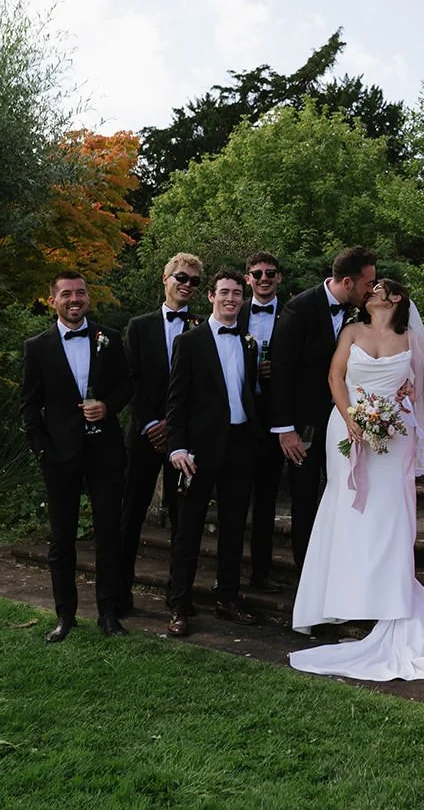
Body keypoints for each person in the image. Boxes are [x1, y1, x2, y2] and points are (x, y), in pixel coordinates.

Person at [290, 278, 424, 680]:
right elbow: (336, 378)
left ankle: (387, 595)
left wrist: (403, 398)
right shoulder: (352, 331)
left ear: (394, 298)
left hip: (395, 434)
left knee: (390, 510)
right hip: (347, 428)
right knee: (348, 506)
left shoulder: (410, 337)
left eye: (378, 287)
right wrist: (351, 416)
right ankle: (341, 597)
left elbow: (420, 387)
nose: (370, 291)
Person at [20, 270, 134, 643]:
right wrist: (42, 451)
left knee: (108, 536)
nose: (75, 299)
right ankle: (64, 616)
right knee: (62, 538)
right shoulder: (37, 347)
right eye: (67, 294)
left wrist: (108, 406)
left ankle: (108, 614)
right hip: (60, 455)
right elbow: (29, 407)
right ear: (52, 300)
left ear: (88, 298)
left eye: (81, 293)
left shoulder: (109, 338)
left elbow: (126, 385)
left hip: (105, 452)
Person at [163, 270, 262, 636]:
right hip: (198, 451)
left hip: (239, 445)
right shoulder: (189, 342)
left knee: (234, 528)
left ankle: (228, 598)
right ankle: (179, 604)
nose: (231, 299)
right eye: (224, 292)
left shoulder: (249, 342)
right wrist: (177, 446)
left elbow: (246, 393)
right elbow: (176, 400)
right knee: (187, 530)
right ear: (211, 296)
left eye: (237, 293)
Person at [269, 246, 377, 570]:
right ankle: (307, 576)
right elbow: (281, 371)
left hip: (345, 423)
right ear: (347, 281)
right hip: (303, 426)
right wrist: (285, 428)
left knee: (344, 496)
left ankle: (341, 569)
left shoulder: (359, 313)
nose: (371, 290)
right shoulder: (298, 309)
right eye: (367, 283)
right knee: (304, 500)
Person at [118, 252, 202, 615]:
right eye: (180, 277)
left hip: (183, 438)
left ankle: (178, 598)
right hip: (142, 436)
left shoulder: (203, 327)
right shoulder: (139, 326)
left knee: (183, 522)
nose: (186, 285)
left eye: (194, 281)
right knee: (130, 516)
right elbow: (128, 379)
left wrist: (174, 425)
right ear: (165, 280)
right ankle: (118, 593)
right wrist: (152, 423)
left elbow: (206, 387)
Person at [238, 251, 286, 591]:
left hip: (276, 417)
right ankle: (229, 573)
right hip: (239, 416)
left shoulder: (293, 314)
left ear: (279, 277)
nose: (264, 278)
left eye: (270, 273)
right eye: (257, 273)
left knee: (268, 499)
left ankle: (261, 571)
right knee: (236, 497)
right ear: (247, 279)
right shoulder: (234, 313)